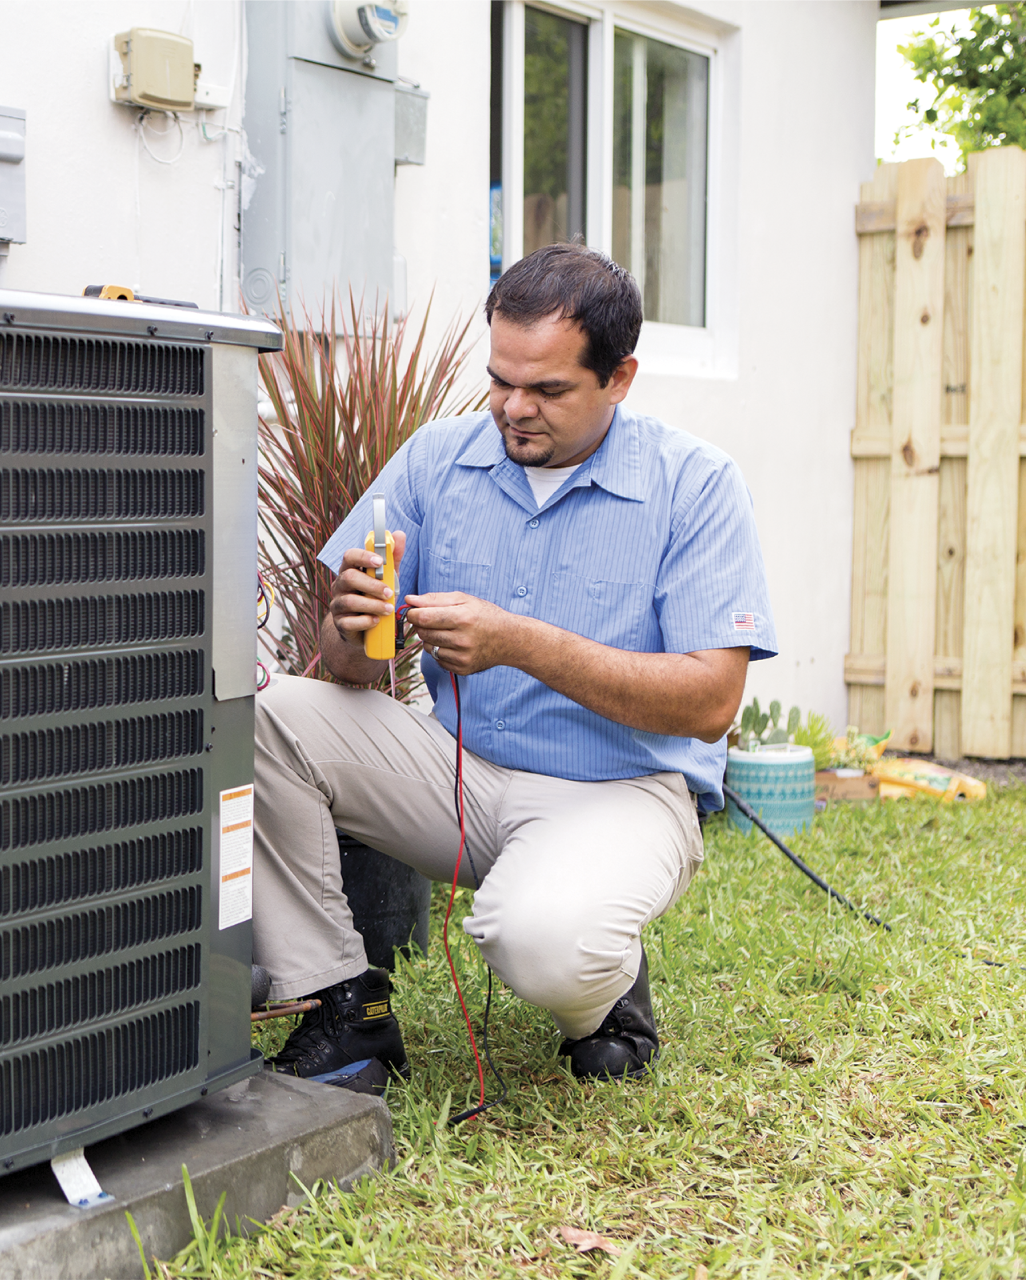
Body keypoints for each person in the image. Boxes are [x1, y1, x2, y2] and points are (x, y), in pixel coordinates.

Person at [254, 243, 776, 1085]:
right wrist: (349, 628)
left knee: (540, 940)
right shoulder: (436, 459)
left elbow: (712, 699)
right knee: (266, 714)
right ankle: (345, 1007)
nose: (514, 408)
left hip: (622, 793)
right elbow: (345, 669)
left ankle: (603, 996)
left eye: (548, 389)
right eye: (501, 379)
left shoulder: (696, 485)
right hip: (459, 774)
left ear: (621, 378)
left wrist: (521, 642)